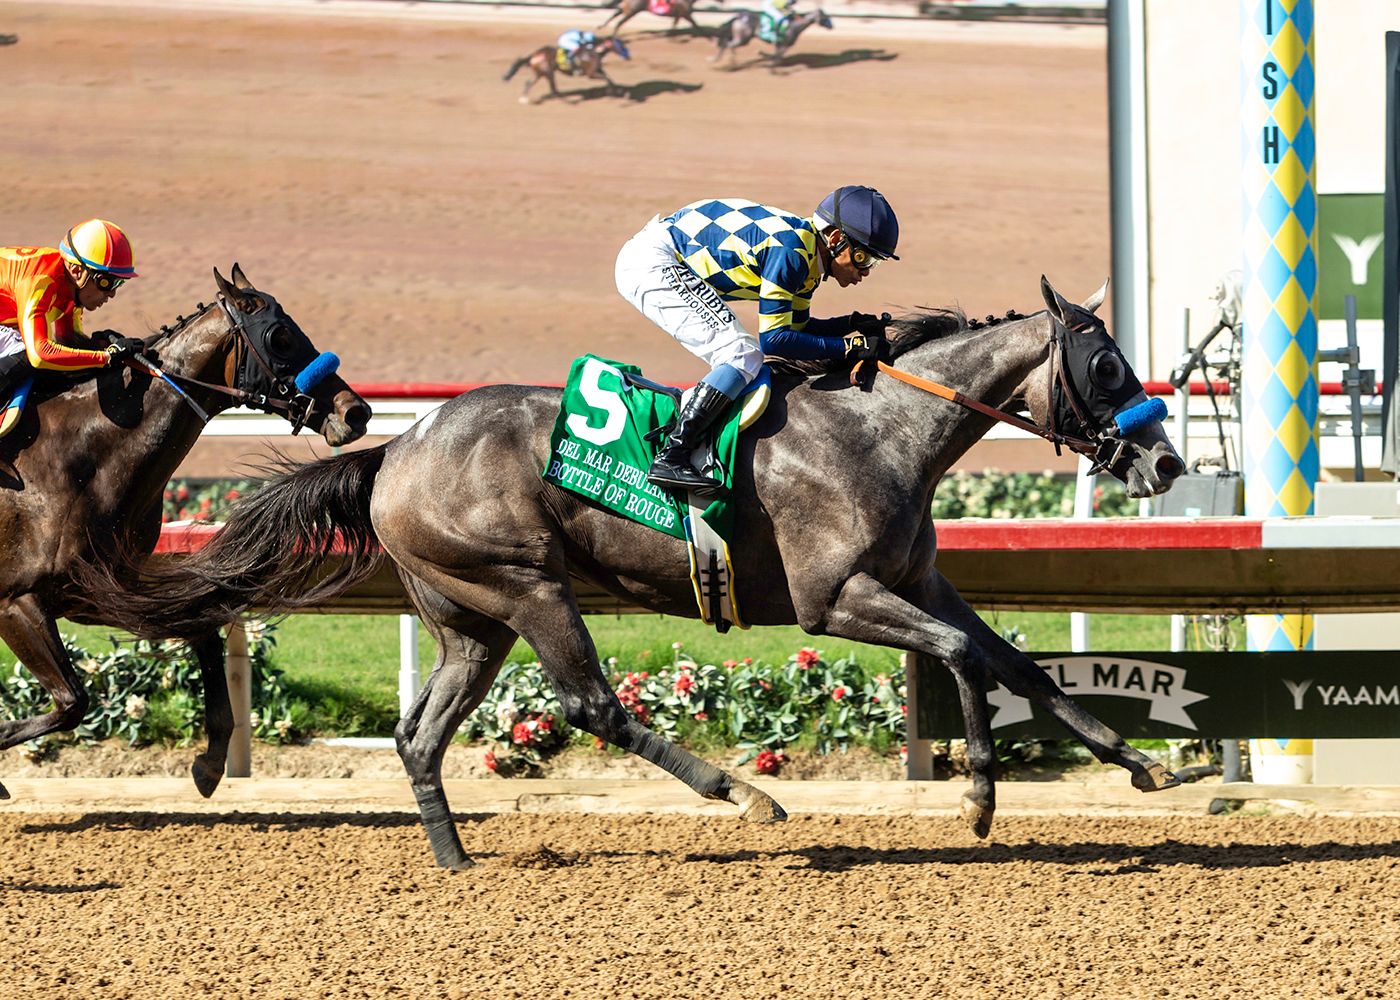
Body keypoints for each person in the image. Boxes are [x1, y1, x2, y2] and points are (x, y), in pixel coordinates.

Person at [614, 185, 899, 496]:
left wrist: (850, 324)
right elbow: (775, 341)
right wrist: (848, 347)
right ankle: (672, 455)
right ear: (833, 239)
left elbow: (797, 330)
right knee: (741, 354)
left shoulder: (805, 254)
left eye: (874, 263)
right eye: (863, 258)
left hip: (661, 254)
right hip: (655, 263)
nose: (866, 271)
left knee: (742, 353)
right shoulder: (791, 252)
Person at [0, 218, 144, 403]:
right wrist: (107, 356)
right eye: (106, 282)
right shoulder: (40, 281)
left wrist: (101, 346)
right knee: (24, 354)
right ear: (77, 271)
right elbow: (39, 354)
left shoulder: (70, 285)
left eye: (119, 283)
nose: (112, 293)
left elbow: (68, 339)